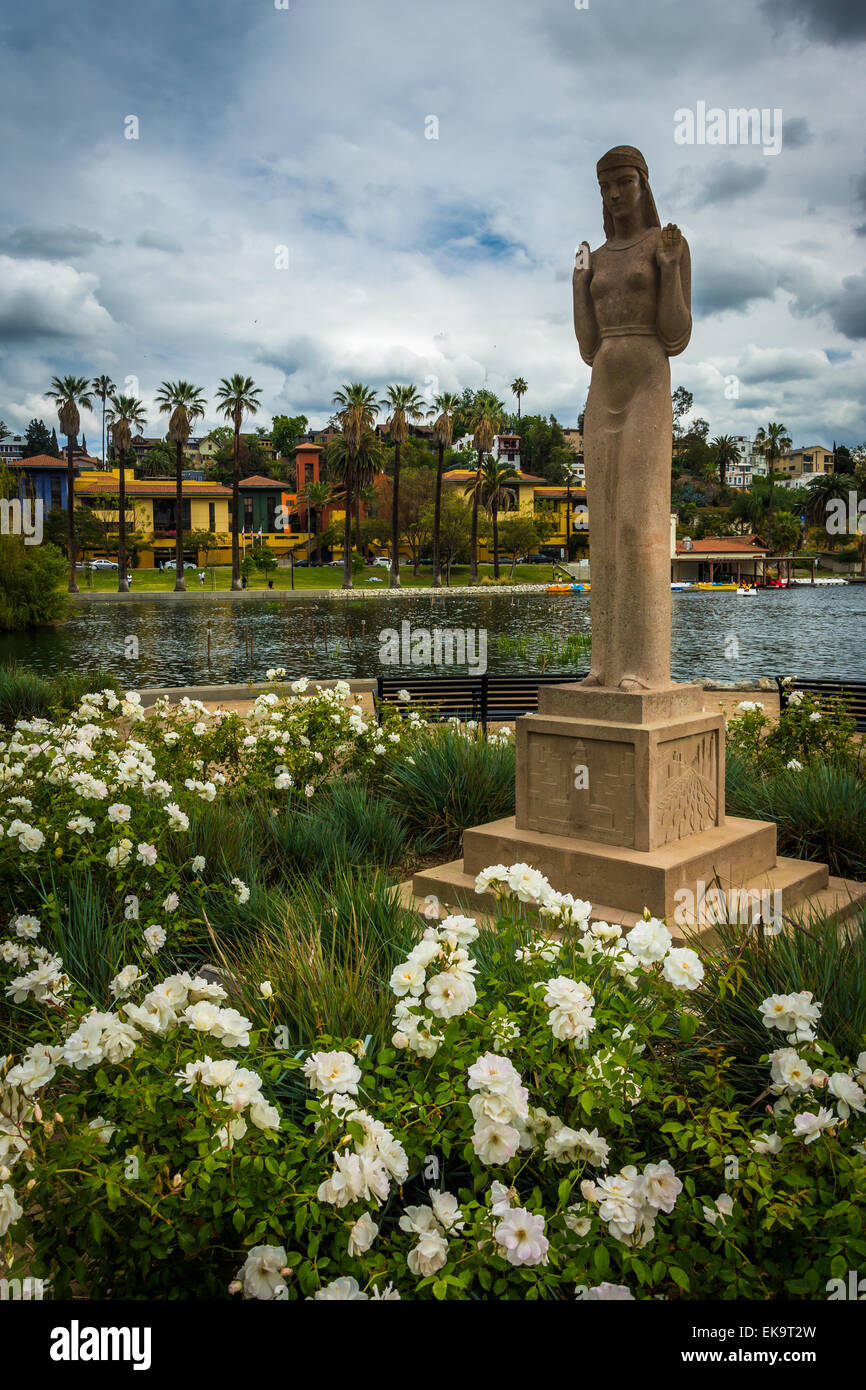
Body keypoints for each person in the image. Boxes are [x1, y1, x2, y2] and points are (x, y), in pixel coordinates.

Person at [572, 145, 691, 691]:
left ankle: (644, 667)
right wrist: (579, 285)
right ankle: (605, 664)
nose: (616, 194)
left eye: (624, 182)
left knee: (637, 525)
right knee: (604, 530)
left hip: (647, 376)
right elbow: (589, 345)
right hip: (604, 386)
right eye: (606, 186)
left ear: (643, 185)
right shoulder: (596, 257)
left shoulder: (667, 243)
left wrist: (668, 271)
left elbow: (676, 335)